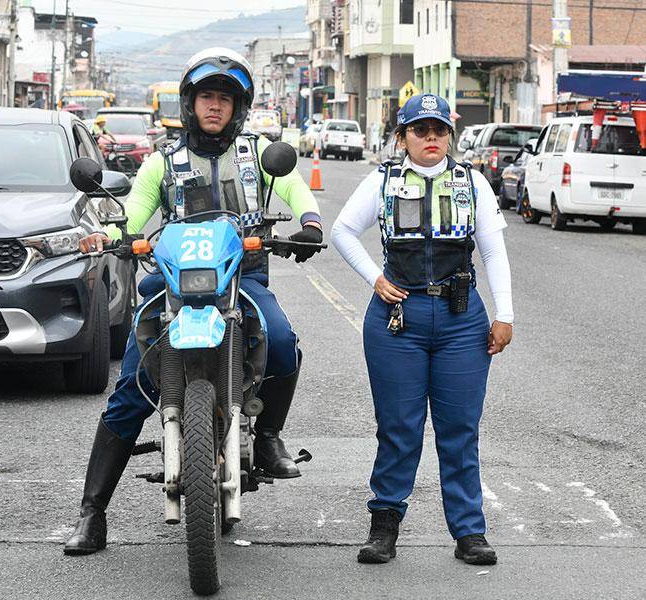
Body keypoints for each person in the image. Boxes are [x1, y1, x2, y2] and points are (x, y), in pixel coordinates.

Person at [64, 47, 324, 556]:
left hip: (240, 280)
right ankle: (92, 514)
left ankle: (268, 437)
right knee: (133, 388)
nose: (214, 106)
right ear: (190, 102)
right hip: (173, 287)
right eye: (206, 96)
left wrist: (310, 223)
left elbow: (296, 190)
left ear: (238, 108)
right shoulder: (163, 161)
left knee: (284, 344)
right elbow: (135, 212)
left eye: (225, 99)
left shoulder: (258, 155)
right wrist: (122, 234)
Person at [331, 93, 513, 566]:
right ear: (402, 137)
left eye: (438, 130)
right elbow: (343, 230)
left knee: (459, 429)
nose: (430, 138)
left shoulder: (472, 182)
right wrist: (376, 278)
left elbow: (492, 251)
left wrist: (504, 315)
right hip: (398, 322)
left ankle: (470, 532)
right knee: (398, 428)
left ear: (449, 135)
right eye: (419, 130)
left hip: (461, 322)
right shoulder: (383, 180)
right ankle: (384, 526)